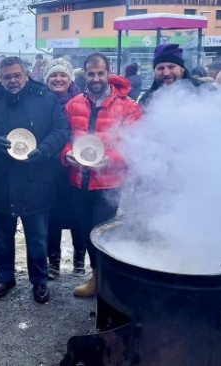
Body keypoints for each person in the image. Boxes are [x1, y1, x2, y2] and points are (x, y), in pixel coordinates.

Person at [0, 57, 69, 304]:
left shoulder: (45, 99)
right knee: (1, 236)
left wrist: (45, 149)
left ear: (26, 75)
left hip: (36, 180)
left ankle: (39, 281)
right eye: (6, 77)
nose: (12, 81)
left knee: (36, 237)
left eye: (16, 76)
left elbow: (61, 131)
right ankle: (5, 277)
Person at [61, 53, 142, 297]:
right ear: (83, 74)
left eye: (100, 73)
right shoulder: (73, 103)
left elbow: (136, 144)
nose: (95, 78)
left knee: (103, 236)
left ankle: (111, 283)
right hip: (79, 181)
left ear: (109, 73)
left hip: (108, 183)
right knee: (87, 234)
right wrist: (66, 155)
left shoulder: (129, 106)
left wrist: (112, 159)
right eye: (91, 74)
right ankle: (97, 278)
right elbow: (65, 138)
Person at [41, 58, 86, 279]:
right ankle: (53, 261)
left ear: (70, 79)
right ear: (46, 79)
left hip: (75, 166)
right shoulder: (39, 101)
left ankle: (79, 259)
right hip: (48, 169)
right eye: (53, 75)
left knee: (78, 215)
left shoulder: (81, 101)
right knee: (52, 216)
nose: (58, 79)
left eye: (63, 75)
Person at [138, 43, 213, 108]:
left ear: (182, 68)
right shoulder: (146, 100)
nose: (166, 73)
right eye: (160, 68)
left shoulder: (205, 91)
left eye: (171, 67)